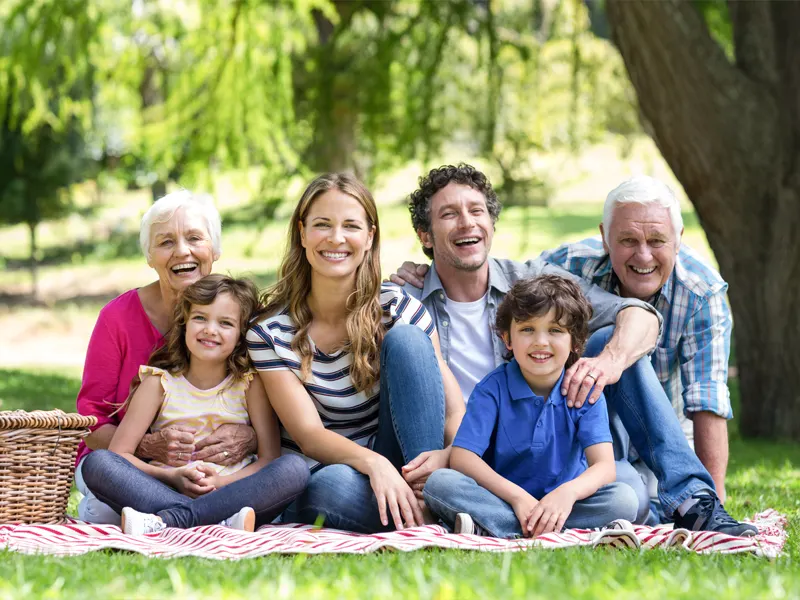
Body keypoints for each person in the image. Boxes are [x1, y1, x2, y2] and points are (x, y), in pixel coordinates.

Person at [392, 164, 756, 536]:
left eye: (476, 211)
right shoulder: (406, 300)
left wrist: (609, 362)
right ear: (426, 234)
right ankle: (518, 522)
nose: (467, 223)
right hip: (473, 462)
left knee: (628, 490)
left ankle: (695, 501)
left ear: (492, 223)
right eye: (449, 214)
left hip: (558, 462)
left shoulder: (531, 283)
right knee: (442, 484)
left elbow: (638, 317)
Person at [247, 173, 466, 534]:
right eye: (322, 225)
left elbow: (454, 411)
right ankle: (430, 518)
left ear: (369, 237)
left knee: (409, 340)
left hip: (402, 464)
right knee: (330, 486)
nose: (336, 238)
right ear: (302, 234)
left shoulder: (398, 308)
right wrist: (374, 464)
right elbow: (308, 435)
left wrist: (444, 457)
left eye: (351, 225)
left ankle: (426, 500)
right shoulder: (269, 332)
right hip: (329, 472)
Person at [539, 175, 733, 510]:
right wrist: (428, 272)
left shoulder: (702, 294)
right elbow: (502, 286)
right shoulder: (567, 267)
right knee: (604, 339)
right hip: (584, 432)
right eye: (627, 240)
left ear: (679, 240)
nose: (643, 257)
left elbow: (707, 397)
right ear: (604, 238)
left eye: (657, 240)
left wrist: (714, 501)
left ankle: (695, 504)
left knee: (657, 501)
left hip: (661, 436)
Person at [75, 191, 258, 525]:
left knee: (289, 471)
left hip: (221, 474)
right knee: (102, 492)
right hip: (136, 470)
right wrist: (147, 445)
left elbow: (269, 411)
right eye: (166, 242)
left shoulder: (241, 318)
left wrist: (252, 437)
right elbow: (91, 423)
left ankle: (167, 518)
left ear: (214, 250)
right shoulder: (116, 319)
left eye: (194, 238)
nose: (182, 251)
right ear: (149, 256)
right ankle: (204, 517)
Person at [81, 275, 309, 535]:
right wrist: (172, 477)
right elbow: (120, 454)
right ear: (184, 324)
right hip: (164, 489)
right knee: (98, 463)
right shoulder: (158, 383)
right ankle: (213, 521)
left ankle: (170, 521)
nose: (210, 330)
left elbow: (269, 458)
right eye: (200, 318)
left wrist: (221, 482)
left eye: (225, 323)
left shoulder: (250, 385)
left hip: (230, 492)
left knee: (294, 470)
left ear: (241, 334)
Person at [424, 275, 639, 537]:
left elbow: (604, 467)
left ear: (575, 341)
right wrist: (517, 498)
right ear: (508, 339)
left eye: (555, 330)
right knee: (440, 483)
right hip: (504, 499)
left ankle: (497, 527)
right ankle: (528, 526)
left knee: (624, 499)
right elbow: (462, 457)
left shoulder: (584, 390)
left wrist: (567, 494)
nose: (540, 341)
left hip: (564, 503)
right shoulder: (492, 388)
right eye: (527, 329)